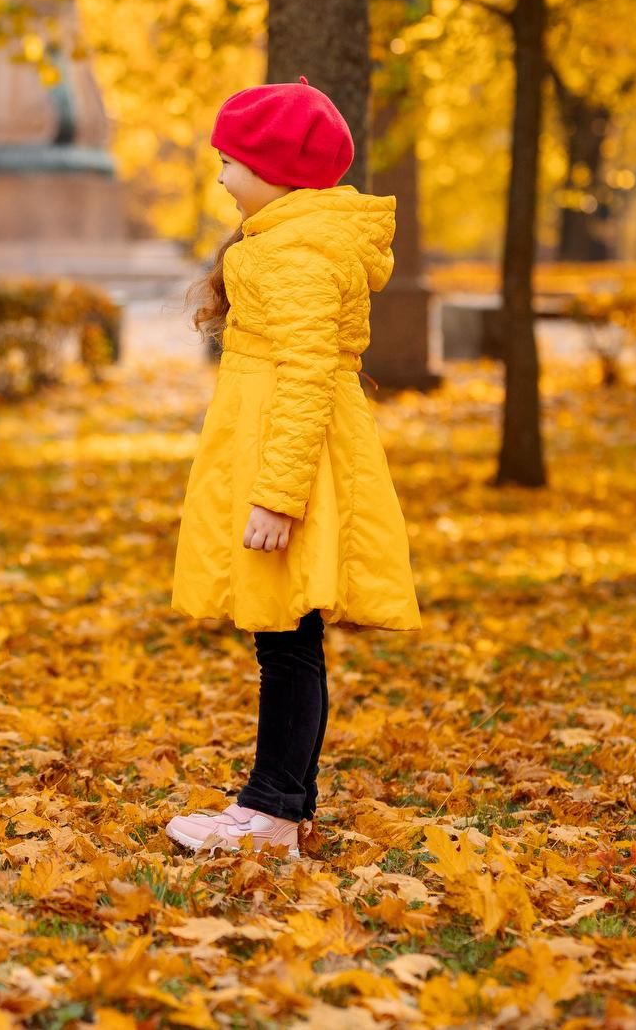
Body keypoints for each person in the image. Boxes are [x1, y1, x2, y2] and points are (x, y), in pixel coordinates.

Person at [166, 79, 421, 858]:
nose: (218, 176)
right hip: (278, 454)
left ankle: (271, 809)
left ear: (274, 169)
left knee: (284, 638)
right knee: (285, 636)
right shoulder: (282, 242)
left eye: (230, 160)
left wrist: (278, 498)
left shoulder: (301, 253)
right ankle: (283, 805)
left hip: (293, 469)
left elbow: (308, 378)